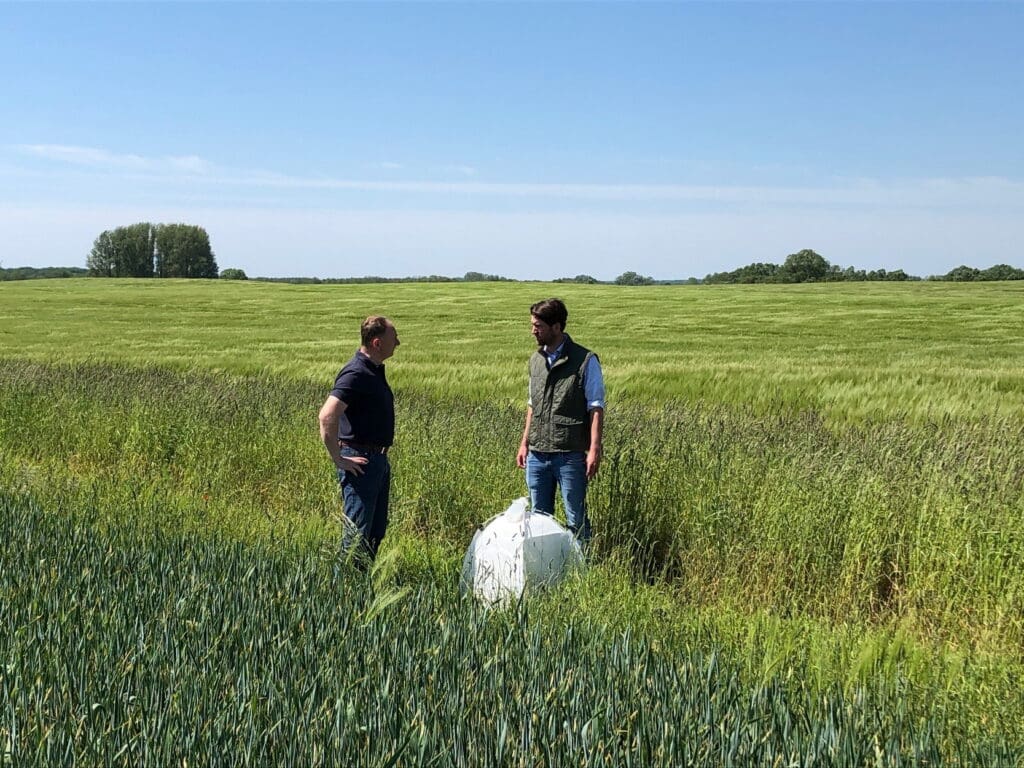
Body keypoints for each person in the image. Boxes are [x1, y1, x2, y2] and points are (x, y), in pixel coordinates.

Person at [516, 298, 604, 542]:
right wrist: (525, 443)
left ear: (556, 327)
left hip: (569, 453)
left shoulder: (585, 360)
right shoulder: (536, 360)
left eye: (538, 326)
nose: (533, 330)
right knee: (538, 518)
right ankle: (545, 569)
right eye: (533, 325)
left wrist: (594, 449)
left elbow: (595, 407)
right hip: (537, 453)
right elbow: (532, 404)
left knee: (575, 518)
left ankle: (581, 568)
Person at [319, 315, 400, 564]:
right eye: (393, 337)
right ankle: (344, 592)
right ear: (377, 343)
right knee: (356, 536)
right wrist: (338, 458)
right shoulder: (356, 373)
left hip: (376, 461)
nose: (398, 342)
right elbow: (327, 415)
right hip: (361, 463)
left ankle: (361, 589)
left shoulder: (372, 371)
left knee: (374, 534)